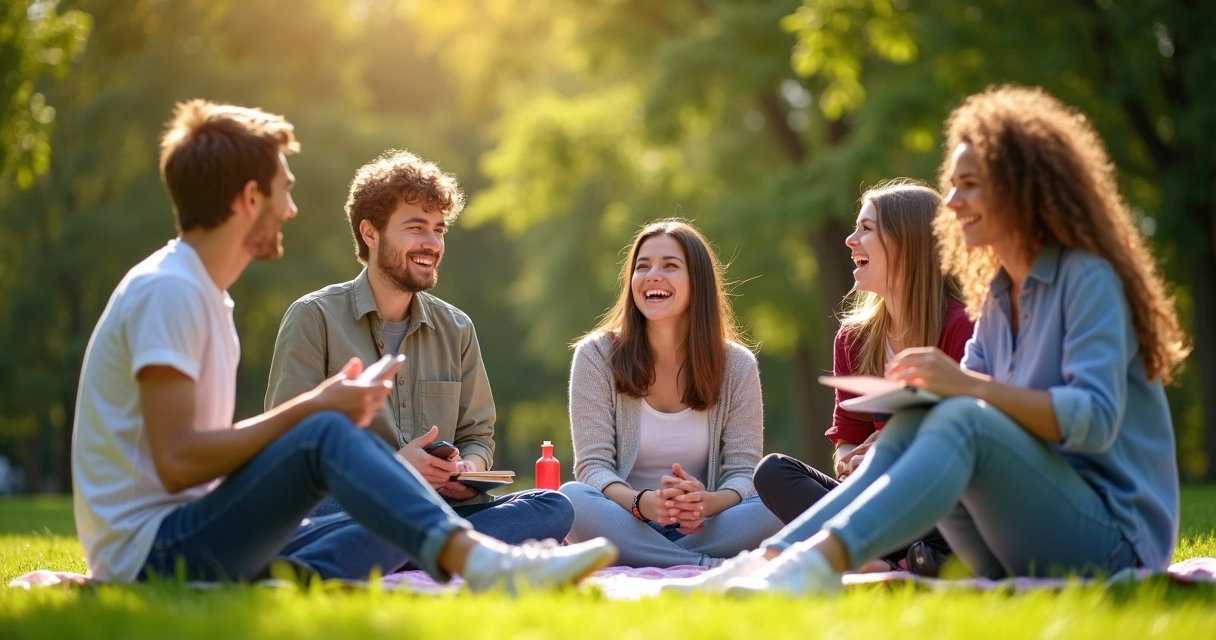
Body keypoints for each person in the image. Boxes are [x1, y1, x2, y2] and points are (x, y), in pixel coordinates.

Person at [70, 99, 615, 590]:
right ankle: (480, 561)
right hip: (155, 551)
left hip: (203, 529)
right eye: (285, 190)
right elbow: (178, 461)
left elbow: (212, 464)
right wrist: (323, 410)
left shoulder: (204, 295)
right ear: (250, 198)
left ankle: (315, 570)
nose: (291, 209)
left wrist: (438, 472)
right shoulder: (170, 291)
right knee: (333, 440)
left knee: (436, 514)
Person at [665, 85, 1186, 595]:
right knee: (919, 417)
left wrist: (966, 387)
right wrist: (931, 401)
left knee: (958, 414)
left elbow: (1092, 422)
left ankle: (821, 563)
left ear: (1021, 187)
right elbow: (954, 406)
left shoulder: (1087, 279)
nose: (952, 202)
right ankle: (775, 559)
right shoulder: (997, 296)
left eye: (969, 185)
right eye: (952, 185)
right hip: (1005, 542)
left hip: (1111, 542)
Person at [264, 150, 574, 579]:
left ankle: (397, 547)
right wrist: (395, 469)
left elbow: (478, 437)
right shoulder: (313, 317)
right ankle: (443, 547)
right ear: (370, 233)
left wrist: (466, 471)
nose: (432, 243)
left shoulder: (457, 328)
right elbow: (287, 449)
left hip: (442, 505)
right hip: (351, 502)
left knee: (554, 506)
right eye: (415, 228)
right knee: (321, 510)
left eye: (438, 230)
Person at [751, 182, 973, 575]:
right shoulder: (852, 339)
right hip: (871, 494)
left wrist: (890, 450)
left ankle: (882, 555)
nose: (851, 240)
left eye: (866, 229)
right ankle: (895, 558)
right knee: (772, 472)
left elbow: (968, 441)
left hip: (938, 499)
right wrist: (851, 465)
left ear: (908, 243)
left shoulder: (962, 326)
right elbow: (848, 436)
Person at [560, 219, 784, 568]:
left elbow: (743, 471)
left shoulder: (737, 365)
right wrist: (642, 503)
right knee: (571, 500)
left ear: (698, 282)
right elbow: (592, 467)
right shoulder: (596, 356)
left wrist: (706, 503)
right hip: (625, 520)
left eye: (669, 266)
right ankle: (705, 565)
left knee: (781, 499)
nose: (652, 275)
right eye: (642, 266)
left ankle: (662, 557)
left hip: (707, 526)